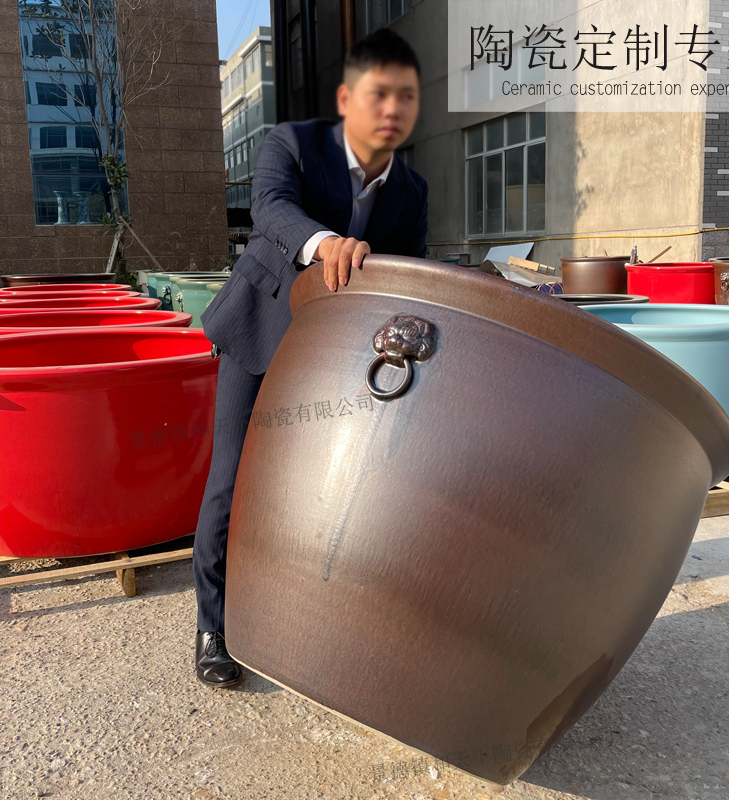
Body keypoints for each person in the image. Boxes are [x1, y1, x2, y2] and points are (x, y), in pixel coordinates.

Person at [192, 27, 428, 687]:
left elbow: (415, 269)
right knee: (232, 480)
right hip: (261, 330)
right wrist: (326, 244)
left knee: (327, 485)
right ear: (347, 99)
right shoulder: (291, 144)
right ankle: (213, 628)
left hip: (336, 355)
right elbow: (270, 209)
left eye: (406, 96)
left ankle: (302, 609)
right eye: (379, 93)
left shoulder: (411, 189)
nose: (392, 109)